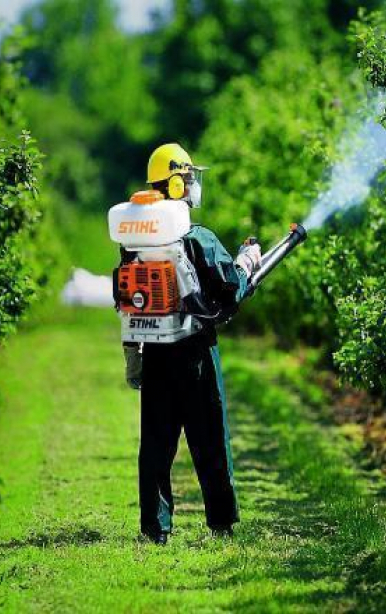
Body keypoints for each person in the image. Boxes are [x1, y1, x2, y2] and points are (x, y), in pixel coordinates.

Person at [123, 143, 261, 545]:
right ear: (178, 182)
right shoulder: (196, 237)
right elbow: (230, 288)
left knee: (156, 444)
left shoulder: (134, 241)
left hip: (155, 353)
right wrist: (247, 261)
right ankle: (220, 522)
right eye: (187, 177)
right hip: (196, 352)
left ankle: (155, 528)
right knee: (209, 438)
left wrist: (132, 359)